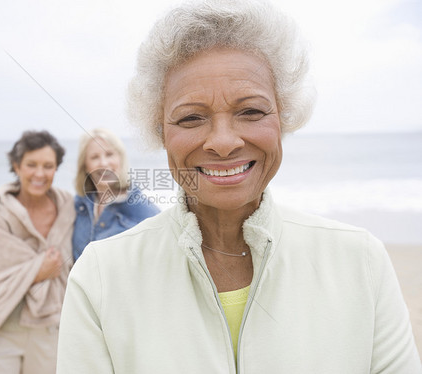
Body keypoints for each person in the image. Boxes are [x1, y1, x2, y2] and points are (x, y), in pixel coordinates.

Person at [56, 1, 421, 373]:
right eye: (191, 117)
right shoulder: (99, 279)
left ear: (285, 115)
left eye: (251, 111)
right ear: (159, 131)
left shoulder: (361, 263)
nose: (224, 141)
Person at [0, 130, 75, 374]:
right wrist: (37, 271)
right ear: (17, 166)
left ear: (56, 169)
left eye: (48, 166)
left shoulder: (68, 208)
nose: (39, 174)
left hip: (51, 327)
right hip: (3, 326)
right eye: (31, 165)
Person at [72, 128, 159, 261]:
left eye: (109, 154)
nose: (103, 163)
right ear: (85, 166)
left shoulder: (142, 210)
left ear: (120, 159)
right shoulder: (79, 204)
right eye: (95, 157)